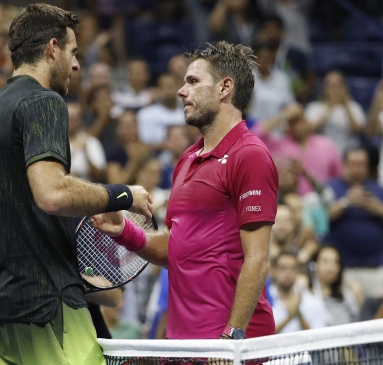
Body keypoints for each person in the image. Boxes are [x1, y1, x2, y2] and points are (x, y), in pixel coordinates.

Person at [0, 5, 152, 365]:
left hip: (1, 314)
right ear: (52, 49)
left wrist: (17, 268)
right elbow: (53, 193)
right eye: (73, 52)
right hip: (49, 308)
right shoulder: (44, 101)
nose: (76, 64)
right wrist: (121, 195)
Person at [91, 41, 279, 340]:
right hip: (182, 342)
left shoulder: (250, 155)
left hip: (227, 346)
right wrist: (124, 230)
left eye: (192, 81)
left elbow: (257, 259)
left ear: (224, 88)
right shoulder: (187, 158)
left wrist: (231, 338)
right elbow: (176, 247)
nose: (181, 91)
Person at [322, 147, 383, 298]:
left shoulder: (377, 189)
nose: (358, 169)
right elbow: (320, 219)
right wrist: (346, 202)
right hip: (343, 270)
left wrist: (377, 208)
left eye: (362, 164)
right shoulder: (332, 188)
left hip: (376, 268)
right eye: (354, 164)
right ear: (344, 165)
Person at [304, 70, 366, 154]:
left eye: (338, 86)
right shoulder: (315, 107)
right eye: (331, 86)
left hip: (348, 152)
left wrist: (346, 106)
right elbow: (310, 129)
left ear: (344, 88)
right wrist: (329, 108)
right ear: (325, 89)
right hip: (323, 153)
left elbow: (357, 130)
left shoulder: (354, 107)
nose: (335, 90)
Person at [269, 251, 327, 333]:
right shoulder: (265, 300)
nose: (287, 273)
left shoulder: (313, 301)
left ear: (299, 271)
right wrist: (290, 317)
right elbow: (264, 337)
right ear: (273, 270)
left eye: (293, 268)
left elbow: (317, 338)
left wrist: (298, 314)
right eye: (282, 268)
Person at [309, 246, 362, 326]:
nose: (331, 267)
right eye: (325, 261)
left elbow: (359, 322)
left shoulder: (348, 294)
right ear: (314, 266)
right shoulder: (307, 295)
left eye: (336, 262)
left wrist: (360, 300)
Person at [136, 73, 184, 148]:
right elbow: (143, 144)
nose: (169, 88)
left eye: (172, 85)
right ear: (158, 90)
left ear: (179, 88)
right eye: (165, 86)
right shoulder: (146, 114)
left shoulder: (188, 113)